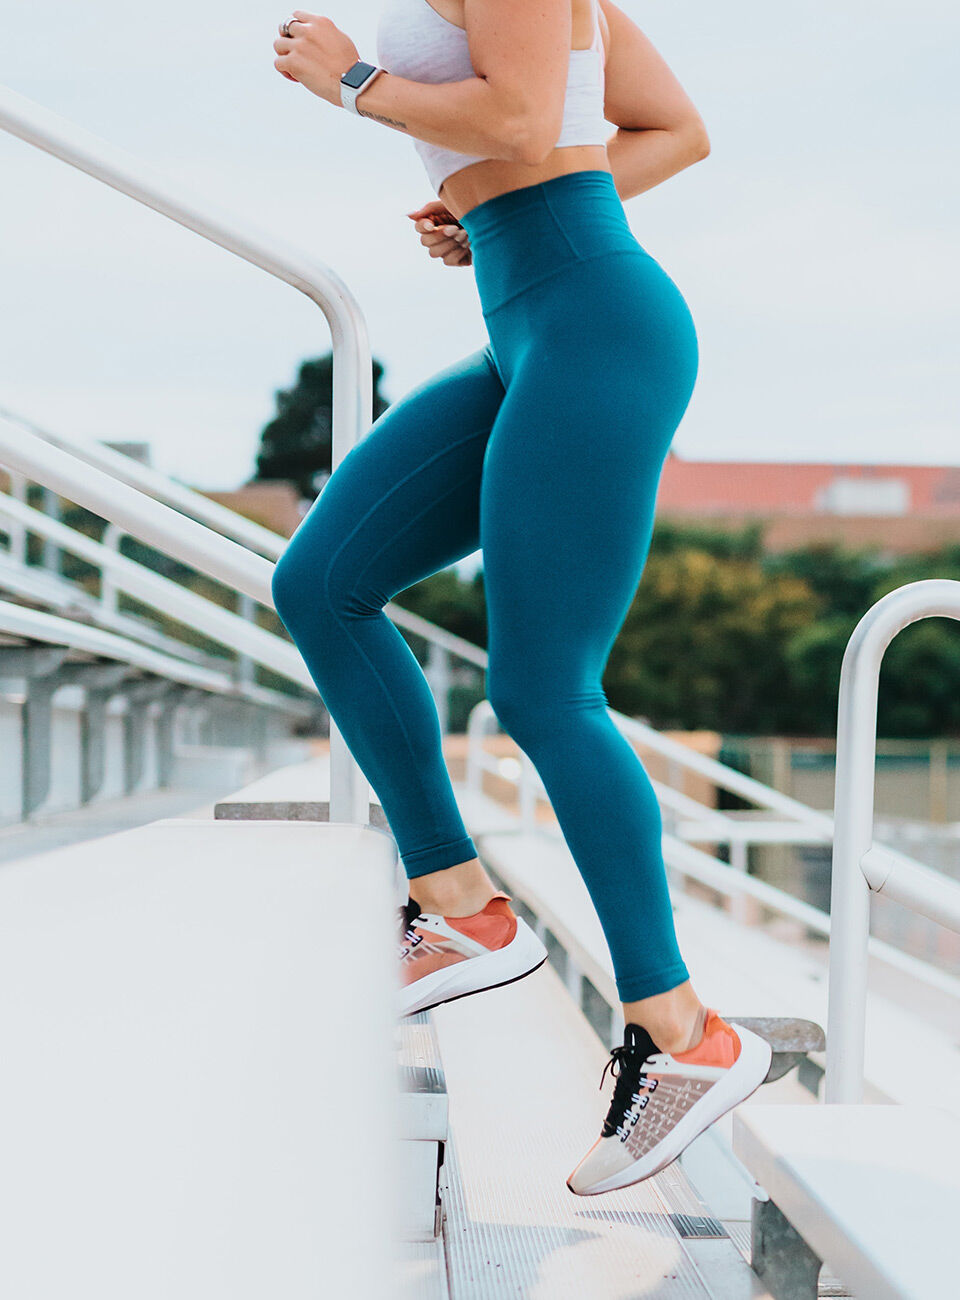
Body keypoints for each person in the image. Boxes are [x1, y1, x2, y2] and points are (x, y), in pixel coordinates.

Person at [271, 0, 772, 1196]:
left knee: (546, 693)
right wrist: (481, 198)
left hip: (595, 321)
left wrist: (354, 84)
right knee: (324, 582)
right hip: (530, 319)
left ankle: (686, 1036)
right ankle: (459, 903)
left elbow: (519, 110)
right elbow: (668, 129)